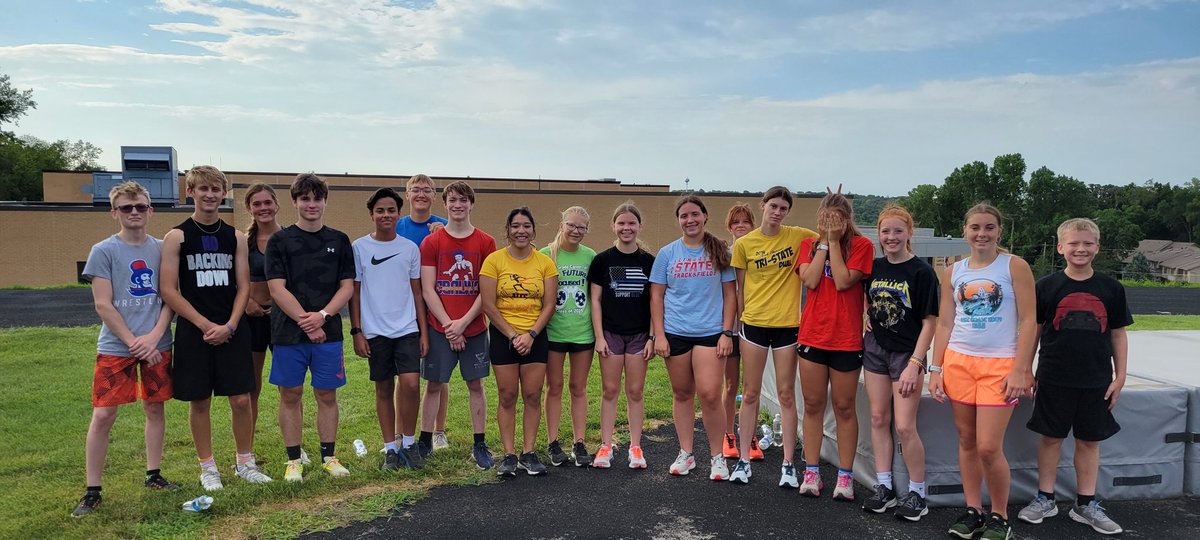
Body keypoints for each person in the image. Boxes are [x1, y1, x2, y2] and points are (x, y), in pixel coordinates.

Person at [160, 165, 272, 490]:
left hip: (232, 330)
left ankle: (244, 462)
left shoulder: (235, 237)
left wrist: (231, 324)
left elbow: (243, 286)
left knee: (240, 399)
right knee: (200, 402)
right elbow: (169, 289)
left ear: (223, 194)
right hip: (195, 331)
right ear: (191, 192)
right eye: (202, 189)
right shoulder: (176, 236)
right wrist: (204, 324)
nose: (209, 195)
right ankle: (208, 468)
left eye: (215, 189)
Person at [929, 203, 1036, 540]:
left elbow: (1030, 320)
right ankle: (973, 510)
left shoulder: (1014, 266)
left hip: (1000, 367)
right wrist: (936, 368)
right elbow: (945, 322)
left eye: (989, 227)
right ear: (965, 231)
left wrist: (1022, 368)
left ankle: (1000, 516)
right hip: (960, 362)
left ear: (999, 231)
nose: (982, 234)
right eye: (975, 227)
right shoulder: (954, 271)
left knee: (989, 447)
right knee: (967, 440)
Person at [1017, 217, 1131, 535]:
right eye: (1073, 243)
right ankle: (1045, 498)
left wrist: (1119, 377)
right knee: (1051, 438)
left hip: (1096, 380)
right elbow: (1033, 332)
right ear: (1060, 248)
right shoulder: (1047, 287)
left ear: (1097, 246)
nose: (1080, 249)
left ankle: (1086, 504)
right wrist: (1025, 369)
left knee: (1089, 442)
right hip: (1053, 377)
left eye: (1087, 243)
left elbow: (1119, 335)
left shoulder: (1111, 288)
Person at [73, 182, 178, 517]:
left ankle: (154, 474)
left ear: (151, 210)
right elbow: (103, 305)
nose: (134, 212)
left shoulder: (162, 249)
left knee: (155, 408)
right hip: (116, 347)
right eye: (126, 207)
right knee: (104, 414)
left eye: (140, 207)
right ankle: (92, 490)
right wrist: (134, 342)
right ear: (114, 211)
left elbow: (170, 298)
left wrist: (154, 337)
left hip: (157, 344)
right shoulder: (103, 250)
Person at [265, 173, 356, 482]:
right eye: (305, 198)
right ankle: (294, 461)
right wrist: (308, 321)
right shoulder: (279, 240)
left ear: (325, 201)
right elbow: (277, 288)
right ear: (295, 202)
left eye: (317, 198)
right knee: (290, 394)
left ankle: (329, 457)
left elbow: (346, 287)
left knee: (326, 395)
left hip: (327, 333)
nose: (311, 204)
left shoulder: (339, 240)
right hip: (288, 333)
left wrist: (323, 316)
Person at [728, 187, 818, 487]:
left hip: (788, 326)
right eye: (773, 206)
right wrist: (740, 322)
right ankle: (743, 460)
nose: (777, 212)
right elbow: (740, 288)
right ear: (762, 206)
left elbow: (830, 233)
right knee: (750, 392)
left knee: (787, 394)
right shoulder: (745, 243)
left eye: (783, 208)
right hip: (753, 325)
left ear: (787, 212)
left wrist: (833, 206)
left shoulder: (798, 236)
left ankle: (789, 464)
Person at [861, 205, 939, 521]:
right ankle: (885, 488)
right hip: (876, 350)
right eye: (885, 231)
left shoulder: (921, 272)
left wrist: (917, 362)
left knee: (905, 426)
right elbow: (865, 297)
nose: (891, 237)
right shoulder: (874, 267)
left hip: (907, 354)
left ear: (909, 233)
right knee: (879, 419)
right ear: (879, 235)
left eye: (897, 231)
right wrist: (866, 315)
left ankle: (917, 493)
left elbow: (931, 321)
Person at [795, 186, 874, 500]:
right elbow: (812, 279)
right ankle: (811, 471)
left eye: (835, 219)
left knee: (844, 407)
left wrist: (836, 242)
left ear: (847, 220)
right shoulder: (808, 245)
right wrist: (825, 245)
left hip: (845, 339)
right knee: (813, 405)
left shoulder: (863, 245)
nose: (828, 224)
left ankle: (845, 475)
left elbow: (842, 281)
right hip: (813, 335)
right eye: (824, 218)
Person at [651, 195, 736, 481]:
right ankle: (686, 453)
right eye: (684, 216)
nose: (690, 220)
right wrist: (659, 335)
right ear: (679, 220)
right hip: (675, 333)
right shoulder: (667, 253)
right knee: (682, 393)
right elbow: (657, 296)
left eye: (694, 214)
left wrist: (727, 331)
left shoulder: (719, 250)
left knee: (710, 394)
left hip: (711, 333)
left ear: (705, 216)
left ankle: (718, 456)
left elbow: (729, 294)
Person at [419, 181, 497, 469]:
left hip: (474, 327)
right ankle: (425, 441)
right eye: (452, 200)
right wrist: (448, 325)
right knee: (434, 384)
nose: (458, 205)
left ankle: (480, 444)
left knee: (475, 384)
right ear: (445, 204)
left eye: (463, 200)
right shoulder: (432, 242)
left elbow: (486, 291)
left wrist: (462, 324)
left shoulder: (485, 242)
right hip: (440, 327)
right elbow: (429, 289)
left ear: (471, 204)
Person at [350, 188, 428, 470]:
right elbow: (354, 293)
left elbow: (417, 293)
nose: (386, 215)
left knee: (409, 383)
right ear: (371, 214)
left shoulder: (410, 248)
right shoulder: (359, 248)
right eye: (380, 210)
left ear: (399, 214)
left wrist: (423, 332)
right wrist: (357, 331)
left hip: (407, 329)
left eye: (391, 210)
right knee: (383, 388)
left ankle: (408, 443)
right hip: (375, 332)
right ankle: (390, 450)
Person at [480, 207, 559, 477]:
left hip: (536, 337)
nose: (521, 231)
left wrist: (531, 334)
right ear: (508, 230)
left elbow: (549, 304)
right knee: (507, 395)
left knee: (533, 395)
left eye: (526, 226)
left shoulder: (545, 262)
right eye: (516, 226)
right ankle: (509, 455)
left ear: (533, 231)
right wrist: (513, 335)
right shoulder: (494, 261)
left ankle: (528, 453)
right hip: (504, 337)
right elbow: (489, 305)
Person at [589, 202, 655, 469]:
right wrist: (599, 337)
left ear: (639, 226)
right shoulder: (602, 260)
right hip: (611, 334)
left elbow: (655, 302)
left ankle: (635, 447)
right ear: (614, 226)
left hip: (639, 336)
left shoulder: (649, 261)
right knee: (610, 390)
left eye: (631, 223)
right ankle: (606, 445)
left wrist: (652, 336)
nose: (626, 228)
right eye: (621, 223)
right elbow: (595, 301)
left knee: (636, 391)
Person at [398, 174, 452, 454]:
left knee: (437, 375)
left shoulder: (444, 227)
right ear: (407, 194)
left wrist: (438, 238)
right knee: (404, 375)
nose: (421, 194)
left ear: (434, 196)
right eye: (415, 189)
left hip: (436, 309)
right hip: (403, 309)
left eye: (426, 190)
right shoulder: (398, 226)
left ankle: (438, 431)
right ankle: (398, 432)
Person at [541, 206, 597, 467]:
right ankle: (553, 442)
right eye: (571, 225)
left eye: (581, 227)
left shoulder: (590, 257)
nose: (576, 231)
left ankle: (579, 442)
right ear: (562, 224)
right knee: (554, 387)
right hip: (553, 332)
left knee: (578, 387)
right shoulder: (545, 255)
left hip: (582, 332)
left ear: (587, 230)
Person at [243, 183, 283, 455]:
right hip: (253, 319)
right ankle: (248, 448)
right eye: (257, 204)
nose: (263, 208)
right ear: (249, 208)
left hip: (283, 319)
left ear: (276, 205)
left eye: (267, 202)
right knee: (251, 386)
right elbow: (236, 279)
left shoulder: (290, 237)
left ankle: (295, 446)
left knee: (287, 386)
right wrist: (247, 302)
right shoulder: (243, 242)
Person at [720, 203, 755, 461]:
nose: (740, 226)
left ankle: (750, 434)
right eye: (736, 222)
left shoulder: (758, 251)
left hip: (755, 327)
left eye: (745, 221)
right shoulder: (725, 255)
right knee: (731, 384)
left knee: (750, 387)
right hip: (731, 328)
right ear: (729, 227)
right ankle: (728, 434)